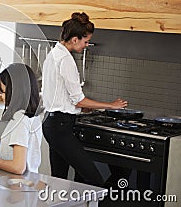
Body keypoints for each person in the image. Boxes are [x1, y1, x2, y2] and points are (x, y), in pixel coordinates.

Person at [41, 12, 128, 186]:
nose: (86, 45)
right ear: (74, 39)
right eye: (85, 41)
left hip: (51, 124)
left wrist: (83, 108)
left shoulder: (53, 55)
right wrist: (110, 105)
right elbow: (78, 100)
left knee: (58, 180)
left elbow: (61, 96)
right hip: (60, 127)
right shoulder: (65, 60)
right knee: (93, 180)